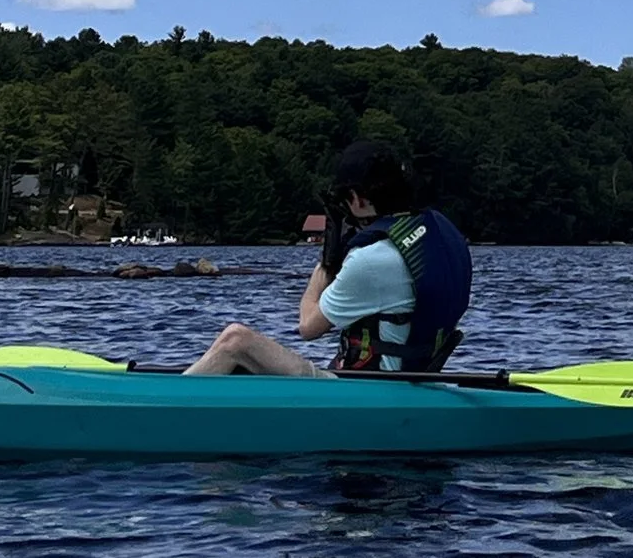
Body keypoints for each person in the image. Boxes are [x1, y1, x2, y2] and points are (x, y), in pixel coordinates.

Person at [186, 139, 471, 378]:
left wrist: (325, 265)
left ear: (357, 199)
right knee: (243, 364)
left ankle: (168, 407)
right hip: (416, 381)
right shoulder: (444, 234)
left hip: (369, 391)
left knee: (236, 341)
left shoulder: (371, 260)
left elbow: (308, 327)